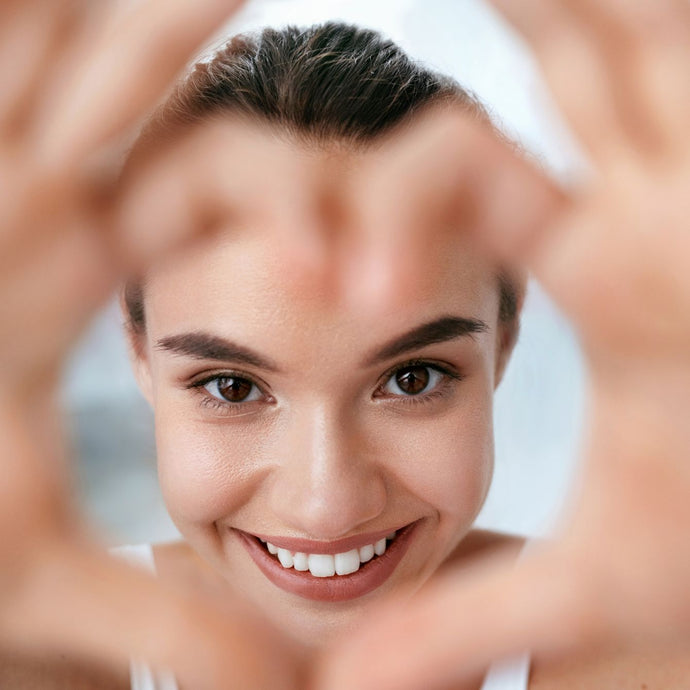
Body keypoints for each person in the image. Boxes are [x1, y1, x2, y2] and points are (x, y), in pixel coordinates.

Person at [2, 2, 690, 690]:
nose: (326, 504)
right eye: (231, 386)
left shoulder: (645, 640)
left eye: (414, 379)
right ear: (138, 353)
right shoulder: (33, 643)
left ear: (503, 346)